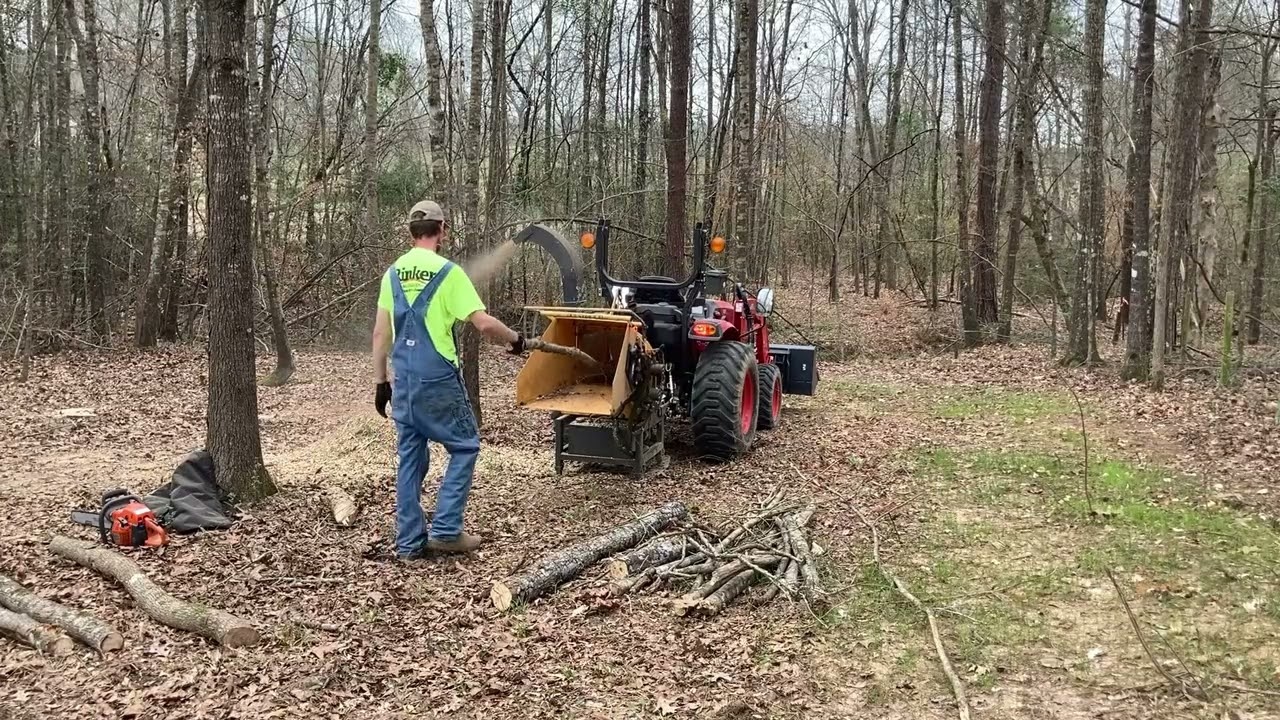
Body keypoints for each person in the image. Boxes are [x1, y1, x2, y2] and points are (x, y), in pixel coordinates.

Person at [371, 200, 525, 559]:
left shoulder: (392, 274)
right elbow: (484, 324)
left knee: (410, 459)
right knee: (466, 446)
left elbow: (381, 335)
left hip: (405, 381)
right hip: (437, 379)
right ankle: (445, 530)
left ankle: (408, 544)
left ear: (411, 232)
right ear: (442, 230)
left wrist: (381, 383)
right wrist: (516, 339)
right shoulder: (448, 273)